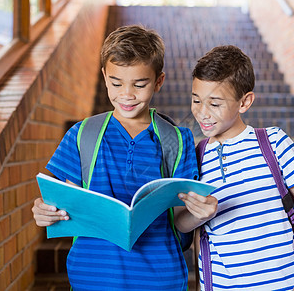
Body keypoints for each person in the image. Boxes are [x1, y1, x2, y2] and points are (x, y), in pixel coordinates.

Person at [32, 25, 211, 290]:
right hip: (92, 277)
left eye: (139, 84)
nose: (127, 94)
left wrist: (199, 215)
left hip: (161, 279)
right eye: (116, 83)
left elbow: (179, 221)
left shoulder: (178, 139)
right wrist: (43, 211)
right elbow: (56, 199)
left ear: (158, 81)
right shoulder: (81, 135)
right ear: (104, 77)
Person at [175, 45, 294, 290]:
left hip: (285, 283)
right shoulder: (196, 156)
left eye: (215, 104)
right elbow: (184, 225)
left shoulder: (273, 143)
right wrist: (199, 214)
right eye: (196, 100)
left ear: (244, 102)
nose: (202, 112)